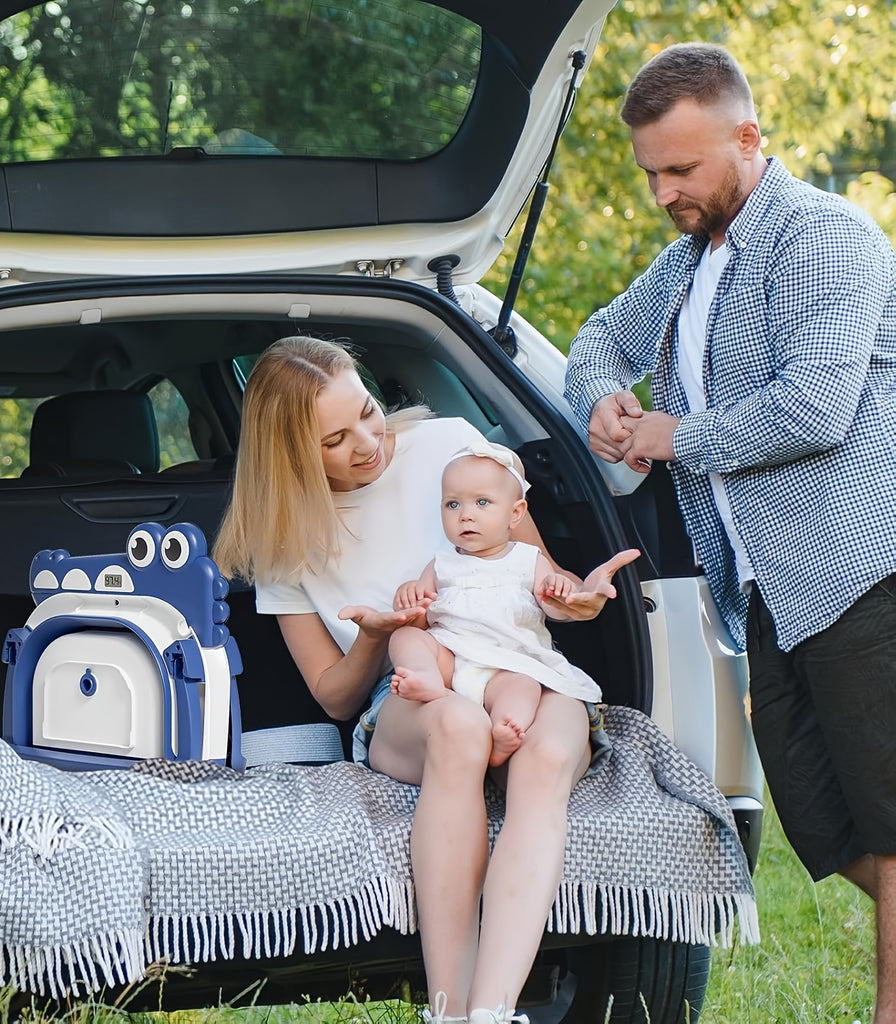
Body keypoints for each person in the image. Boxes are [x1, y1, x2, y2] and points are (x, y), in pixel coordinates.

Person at [562, 42, 896, 1024]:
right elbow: (594, 341)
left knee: (886, 813)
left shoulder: (825, 238)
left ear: (748, 137)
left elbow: (814, 408)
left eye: (682, 168)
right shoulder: (684, 265)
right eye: (651, 172)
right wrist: (603, 404)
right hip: (763, 592)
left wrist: (671, 435)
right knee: (822, 825)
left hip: (859, 570)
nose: (663, 190)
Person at [213, 335, 639, 1024]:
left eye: (369, 413)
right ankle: (447, 1010)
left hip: (519, 663)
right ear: (291, 454)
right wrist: (378, 636)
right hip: (408, 693)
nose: (368, 443)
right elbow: (335, 696)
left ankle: (491, 1012)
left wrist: (576, 599)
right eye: (335, 439)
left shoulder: (450, 444)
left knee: (551, 753)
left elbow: (534, 578)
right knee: (459, 729)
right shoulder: (283, 541)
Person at [388, 441, 609, 770]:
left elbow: (554, 608)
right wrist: (408, 595)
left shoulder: (527, 560)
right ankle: (426, 677)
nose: (466, 514)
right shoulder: (441, 563)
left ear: (515, 513)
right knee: (403, 639)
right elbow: (419, 617)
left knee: (524, 688)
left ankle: (503, 735)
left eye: (482, 502)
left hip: (509, 664)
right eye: (452, 504)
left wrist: (560, 593)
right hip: (452, 658)